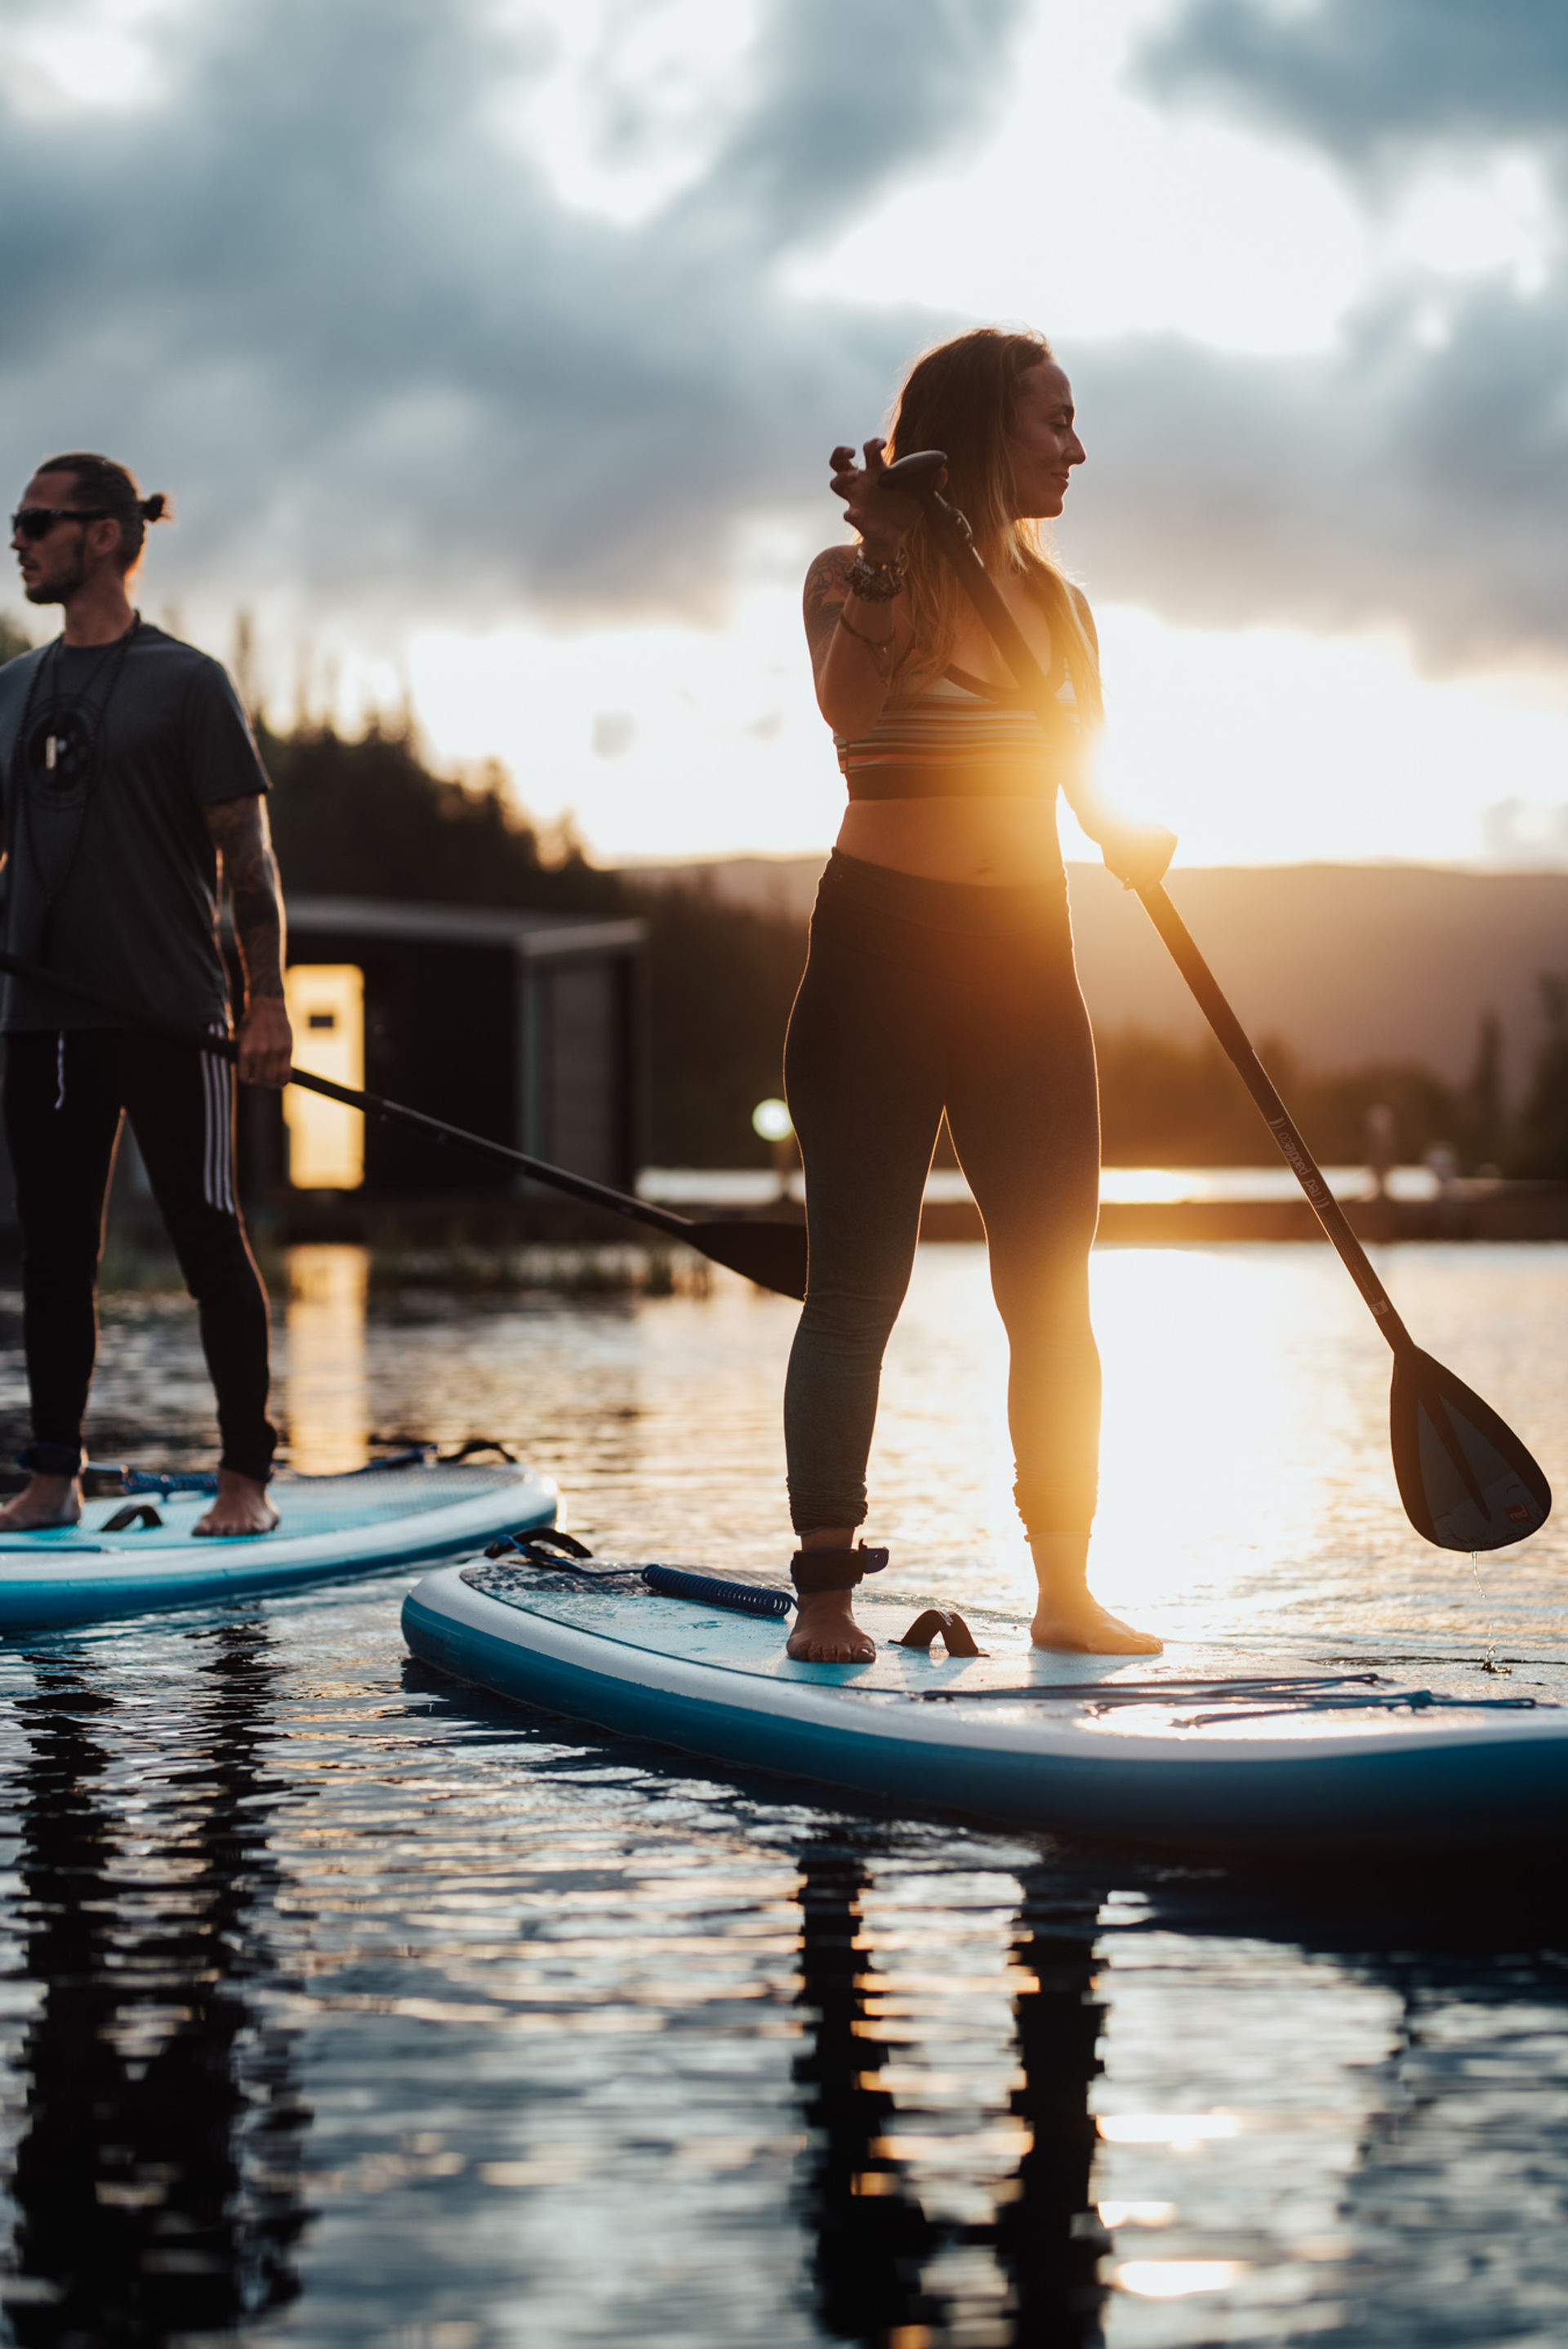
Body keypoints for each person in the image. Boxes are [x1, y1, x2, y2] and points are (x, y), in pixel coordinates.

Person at [784, 328, 1175, 1665]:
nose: (1076, 446)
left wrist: (1129, 829)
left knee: (1054, 1287)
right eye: (1054, 420)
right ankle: (824, 1598)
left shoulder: (1064, 613)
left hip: (1026, 957)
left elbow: (1089, 772)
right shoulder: (851, 572)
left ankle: (1066, 1591)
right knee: (856, 1290)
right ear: (981, 430)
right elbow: (849, 718)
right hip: (881, 953)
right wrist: (894, 557)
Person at [0, 453, 292, 1536]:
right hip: (47, 1024)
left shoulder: (187, 683)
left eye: (39, 520)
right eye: (18, 521)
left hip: (175, 1016)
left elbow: (249, 861)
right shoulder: (13, 692)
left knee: (208, 1242)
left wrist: (263, 1004)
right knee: (56, 1250)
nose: (20, 538)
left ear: (109, 536)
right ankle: (51, 1475)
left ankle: (245, 1478)